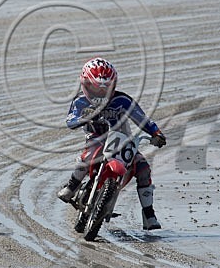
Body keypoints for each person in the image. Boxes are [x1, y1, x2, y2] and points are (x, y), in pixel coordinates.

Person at [57, 57, 167, 230]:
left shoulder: (122, 100)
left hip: (122, 141)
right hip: (96, 138)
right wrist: (83, 118)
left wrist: (156, 133)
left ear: (113, 85)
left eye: (105, 88)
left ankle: (149, 214)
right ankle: (71, 186)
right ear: (85, 84)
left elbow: (141, 118)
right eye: (94, 88)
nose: (100, 93)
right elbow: (70, 120)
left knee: (143, 168)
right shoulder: (80, 101)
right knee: (87, 156)